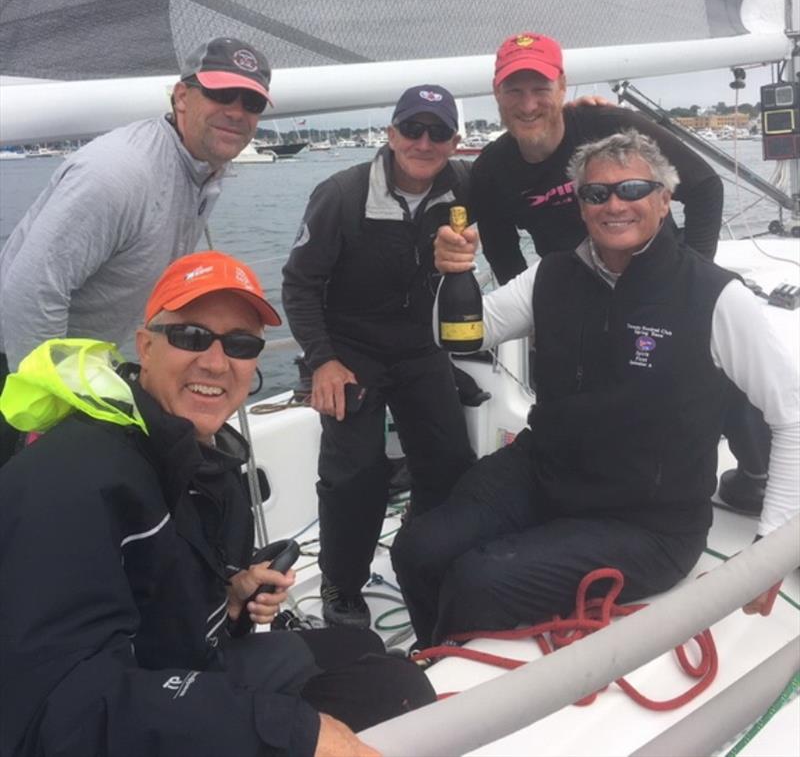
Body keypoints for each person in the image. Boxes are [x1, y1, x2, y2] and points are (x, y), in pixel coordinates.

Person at [0, 251, 434, 757]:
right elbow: (58, 711)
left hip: (181, 668)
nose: (214, 360)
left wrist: (231, 604)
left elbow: (161, 615)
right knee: (394, 695)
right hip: (115, 715)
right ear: (145, 346)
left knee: (361, 649)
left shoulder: (201, 462)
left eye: (241, 343)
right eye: (190, 336)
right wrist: (291, 731)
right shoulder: (71, 481)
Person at [392, 131, 799, 647]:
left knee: (479, 580)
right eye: (596, 194)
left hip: (650, 521)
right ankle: (435, 656)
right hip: (546, 472)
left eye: (632, 189)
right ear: (581, 208)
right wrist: (451, 276)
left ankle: (450, 684)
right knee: (418, 549)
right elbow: (457, 334)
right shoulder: (551, 276)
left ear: (663, 198)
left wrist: (770, 550)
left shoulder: (714, 295)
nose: (614, 205)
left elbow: (793, 417)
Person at [467, 32, 769, 514]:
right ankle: (591, 489)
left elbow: (706, 188)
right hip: (579, 289)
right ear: (497, 96)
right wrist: (541, 314)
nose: (528, 104)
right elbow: (504, 254)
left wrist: (693, 283)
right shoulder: (492, 169)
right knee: (595, 391)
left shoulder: (609, 124)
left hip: (657, 273)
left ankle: (757, 473)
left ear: (562, 87)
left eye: (540, 88)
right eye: (514, 91)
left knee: (713, 364)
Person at [0, 36, 270, 463]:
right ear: (181, 96)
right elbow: (28, 293)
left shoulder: (202, 171)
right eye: (220, 93)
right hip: (20, 373)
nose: (237, 111)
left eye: (251, 103)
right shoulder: (119, 174)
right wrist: (48, 416)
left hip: (77, 367)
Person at [282, 85, 475, 629]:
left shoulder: (462, 185)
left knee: (450, 462)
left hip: (420, 347)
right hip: (350, 352)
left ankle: (429, 554)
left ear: (455, 142)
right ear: (390, 134)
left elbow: (527, 181)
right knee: (354, 475)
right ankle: (343, 587)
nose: (423, 141)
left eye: (438, 132)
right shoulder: (341, 195)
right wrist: (321, 360)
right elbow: (299, 284)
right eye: (411, 129)